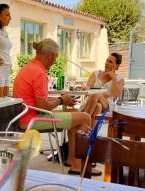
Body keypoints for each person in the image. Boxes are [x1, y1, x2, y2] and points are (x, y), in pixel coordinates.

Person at [13, 38, 100, 175]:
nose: (55, 61)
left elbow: (37, 101)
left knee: (74, 114)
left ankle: (72, 160)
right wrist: (61, 100)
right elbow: (43, 105)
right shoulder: (39, 73)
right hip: (33, 120)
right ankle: (79, 165)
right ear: (51, 55)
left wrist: (62, 100)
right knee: (85, 118)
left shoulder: (29, 68)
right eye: (56, 57)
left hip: (25, 116)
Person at [82, 53, 125, 122]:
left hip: (107, 105)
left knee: (96, 94)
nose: (106, 63)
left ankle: (83, 122)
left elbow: (116, 95)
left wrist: (113, 78)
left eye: (110, 62)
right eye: (107, 60)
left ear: (117, 66)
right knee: (98, 106)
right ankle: (90, 132)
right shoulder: (96, 73)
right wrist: (104, 93)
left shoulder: (119, 79)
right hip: (91, 102)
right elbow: (87, 90)